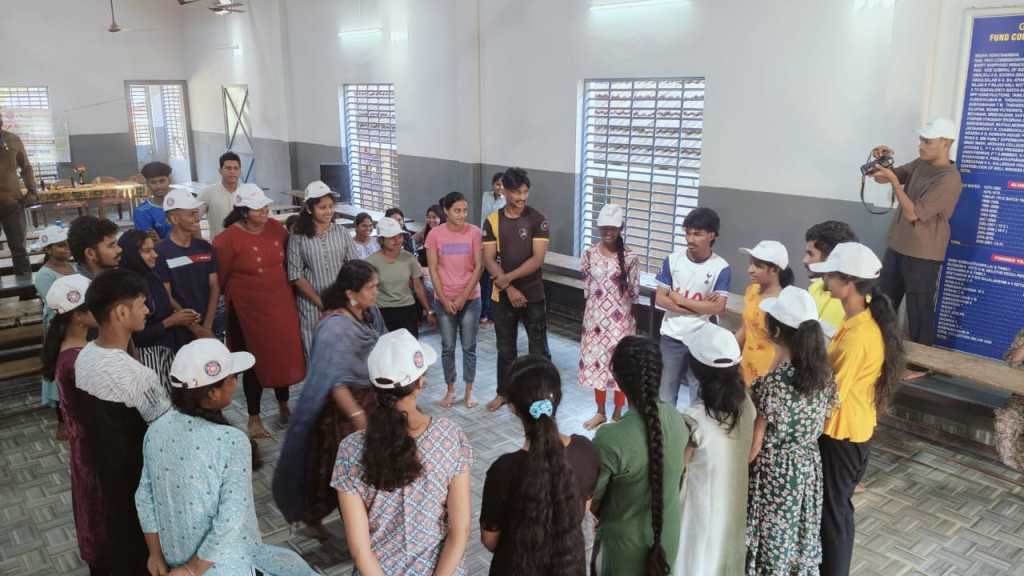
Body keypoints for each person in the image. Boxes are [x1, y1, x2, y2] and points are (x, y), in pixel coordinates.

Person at [136, 339, 316, 576]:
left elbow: (143, 497)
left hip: (174, 558)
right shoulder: (231, 440)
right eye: (233, 378)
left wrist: (155, 554)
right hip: (227, 565)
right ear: (212, 393)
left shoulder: (156, 429)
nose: (235, 383)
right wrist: (192, 570)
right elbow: (231, 515)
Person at [331, 329, 473, 576]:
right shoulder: (450, 436)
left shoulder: (350, 449)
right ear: (420, 383)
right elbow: (459, 530)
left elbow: (360, 550)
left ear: (374, 388)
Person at [809, 242, 905, 576]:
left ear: (848, 282)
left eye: (831, 276)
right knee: (834, 510)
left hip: (842, 434)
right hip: (851, 429)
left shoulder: (859, 334)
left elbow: (831, 391)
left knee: (834, 514)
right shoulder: (858, 320)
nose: (825, 282)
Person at [273, 260, 387, 536]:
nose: (376, 293)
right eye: (371, 288)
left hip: (372, 401)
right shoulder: (334, 328)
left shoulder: (371, 315)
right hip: (343, 412)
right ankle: (352, 529)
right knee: (345, 472)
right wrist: (359, 418)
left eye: (376, 286)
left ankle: (371, 525)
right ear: (351, 293)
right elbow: (335, 381)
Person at [74, 268, 173, 573]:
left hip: (107, 481)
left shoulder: (85, 356)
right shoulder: (136, 377)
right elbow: (167, 433)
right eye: (142, 303)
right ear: (120, 312)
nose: (147, 310)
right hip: (139, 487)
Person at [746, 286, 838, 576]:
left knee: (773, 538)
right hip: (808, 465)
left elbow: (755, 444)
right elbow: (825, 422)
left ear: (774, 332)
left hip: (775, 472)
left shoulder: (772, 384)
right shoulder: (824, 377)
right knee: (799, 533)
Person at [480, 355, 599, 576]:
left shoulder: (503, 470)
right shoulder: (585, 451)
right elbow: (581, 511)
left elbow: (490, 540)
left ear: (513, 408)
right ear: (558, 399)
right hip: (570, 566)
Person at [592, 336, 689, 575]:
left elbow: (593, 501)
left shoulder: (610, 438)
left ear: (618, 381)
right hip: (668, 537)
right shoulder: (679, 420)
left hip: (622, 545)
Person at [214, 183, 305, 438]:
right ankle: (254, 418)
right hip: (247, 311)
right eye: (257, 209)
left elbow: (291, 260)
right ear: (243, 212)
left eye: (265, 206)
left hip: (281, 305)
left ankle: (284, 405)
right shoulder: (227, 239)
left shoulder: (277, 229)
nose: (264, 211)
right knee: (252, 360)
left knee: (282, 355)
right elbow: (220, 279)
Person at [870, 118, 962, 351]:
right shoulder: (920, 163)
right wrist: (881, 161)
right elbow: (880, 177)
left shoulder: (949, 179)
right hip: (898, 245)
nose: (921, 146)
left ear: (945, 143)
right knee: (883, 302)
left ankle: (922, 366)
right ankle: (878, 351)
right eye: (921, 140)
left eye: (927, 142)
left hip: (923, 253)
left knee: (919, 309)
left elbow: (914, 214)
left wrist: (894, 182)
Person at [677, 322, 755, 576]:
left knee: (697, 561)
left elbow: (679, 467)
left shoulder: (693, 419)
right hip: (733, 503)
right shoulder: (747, 407)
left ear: (696, 370)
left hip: (699, 508)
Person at [40, 274, 105, 572]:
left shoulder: (71, 353)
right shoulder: (79, 361)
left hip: (87, 454)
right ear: (79, 316)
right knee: (103, 524)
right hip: (97, 456)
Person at [482, 167, 551, 411]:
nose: (521, 198)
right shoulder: (492, 220)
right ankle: (505, 393)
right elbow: (489, 258)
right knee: (505, 348)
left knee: (538, 349)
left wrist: (507, 278)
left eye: (525, 192)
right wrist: (509, 288)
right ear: (504, 191)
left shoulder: (537, 219)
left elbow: (537, 259)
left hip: (533, 294)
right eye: (516, 192)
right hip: (503, 297)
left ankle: (541, 394)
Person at [654, 207, 732, 409]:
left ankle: (695, 436)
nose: (690, 239)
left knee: (698, 395)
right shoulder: (672, 260)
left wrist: (680, 299)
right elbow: (661, 299)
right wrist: (702, 307)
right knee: (665, 394)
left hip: (701, 338)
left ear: (712, 235)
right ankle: (666, 434)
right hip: (671, 336)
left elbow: (719, 307)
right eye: (688, 233)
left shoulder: (721, 267)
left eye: (697, 234)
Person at [579, 204, 639, 430]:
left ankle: (617, 412)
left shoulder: (631, 257)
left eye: (612, 228)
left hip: (620, 321)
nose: (608, 232)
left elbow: (633, 292)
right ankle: (600, 411)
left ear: (620, 228)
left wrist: (627, 321)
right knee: (597, 365)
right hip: (594, 320)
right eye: (604, 227)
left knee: (619, 366)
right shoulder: (589, 254)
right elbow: (587, 286)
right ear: (598, 228)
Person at [118, 229, 199, 388]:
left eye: (153, 249)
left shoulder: (151, 276)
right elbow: (135, 337)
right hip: (147, 358)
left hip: (167, 350)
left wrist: (181, 316)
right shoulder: (126, 286)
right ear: (132, 254)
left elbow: (162, 308)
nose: (155, 255)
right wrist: (171, 321)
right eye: (147, 251)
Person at [288, 180, 360, 356]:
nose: (328, 211)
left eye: (330, 206)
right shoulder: (298, 236)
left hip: (342, 303)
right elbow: (296, 275)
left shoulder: (341, 232)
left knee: (343, 352)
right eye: (322, 207)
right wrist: (321, 302)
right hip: (312, 306)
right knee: (318, 354)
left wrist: (344, 298)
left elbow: (354, 266)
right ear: (309, 208)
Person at [427, 191, 484, 409]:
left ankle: (469, 391)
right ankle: (450, 390)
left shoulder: (474, 233)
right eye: (457, 211)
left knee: (469, 346)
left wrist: (462, 297)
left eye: (465, 210)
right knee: (448, 346)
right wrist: (443, 297)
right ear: (446, 211)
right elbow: (432, 268)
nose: (462, 215)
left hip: (470, 299)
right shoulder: (435, 235)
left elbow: (479, 266)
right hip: (443, 299)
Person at [155, 188, 220, 341]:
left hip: (209, 326)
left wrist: (207, 326)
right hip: (180, 332)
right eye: (191, 214)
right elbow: (166, 295)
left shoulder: (206, 248)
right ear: (174, 219)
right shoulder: (160, 253)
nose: (197, 218)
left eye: (196, 213)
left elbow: (215, 286)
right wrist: (195, 328)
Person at [32, 225, 74, 437]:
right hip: (58, 327)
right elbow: (56, 302)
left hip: (76, 324)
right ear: (48, 249)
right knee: (59, 371)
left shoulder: (72, 267)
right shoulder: (44, 275)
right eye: (60, 246)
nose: (66, 249)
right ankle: (61, 421)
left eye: (67, 244)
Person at [737, 240, 794, 385]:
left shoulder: (783, 303)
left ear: (775, 270)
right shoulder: (752, 290)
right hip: (744, 368)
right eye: (751, 263)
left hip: (767, 374)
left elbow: (785, 348)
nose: (750, 269)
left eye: (758, 266)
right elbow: (745, 329)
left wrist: (770, 379)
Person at [367, 217, 433, 337]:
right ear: (381, 240)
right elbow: (368, 290)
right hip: (383, 311)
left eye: (399, 236)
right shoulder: (371, 262)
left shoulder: (408, 258)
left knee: (409, 349)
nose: (397, 240)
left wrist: (428, 310)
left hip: (407, 309)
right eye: (392, 237)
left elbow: (418, 287)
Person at [803, 221, 859, 338]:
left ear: (831, 258)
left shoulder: (854, 304)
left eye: (811, 254)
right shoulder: (814, 287)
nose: (805, 260)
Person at [0, 113, 37, 279]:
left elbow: (26, 167)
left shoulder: (13, 140)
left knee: (19, 248)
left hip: (13, 204)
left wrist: (32, 191)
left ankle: (26, 288)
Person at [479, 172, 506, 325]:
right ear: (493, 184)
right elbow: (485, 217)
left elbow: (499, 220)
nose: (499, 187)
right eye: (497, 184)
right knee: (484, 278)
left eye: (502, 185)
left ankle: (490, 313)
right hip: (485, 239)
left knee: (493, 278)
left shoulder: (506, 200)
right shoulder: (486, 196)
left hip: (499, 243)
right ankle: (484, 312)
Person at [198, 151, 242, 239]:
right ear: (220, 171)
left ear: (240, 171)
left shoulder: (248, 192)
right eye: (228, 168)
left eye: (236, 168)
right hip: (219, 247)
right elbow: (192, 219)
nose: (232, 171)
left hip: (244, 246)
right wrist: (199, 242)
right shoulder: (208, 192)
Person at [133, 161, 173, 240]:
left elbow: (194, 230)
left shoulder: (183, 202)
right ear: (147, 184)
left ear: (169, 180)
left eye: (162, 181)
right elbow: (148, 243)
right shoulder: (142, 211)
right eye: (153, 182)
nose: (158, 186)